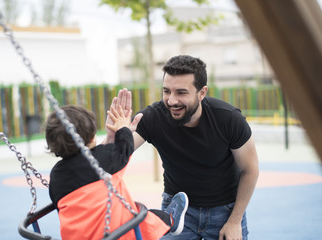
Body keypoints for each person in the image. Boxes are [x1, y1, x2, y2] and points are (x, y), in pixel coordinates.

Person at [106, 55, 259, 240]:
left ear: (202, 93)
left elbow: (250, 170)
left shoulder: (228, 119)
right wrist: (113, 137)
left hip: (225, 210)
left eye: (181, 92)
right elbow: (113, 158)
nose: (171, 100)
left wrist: (234, 221)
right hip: (177, 210)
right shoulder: (153, 117)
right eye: (166, 91)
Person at [45, 105, 189, 240]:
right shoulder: (105, 159)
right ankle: (171, 219)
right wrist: (122, 128)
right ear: (91, 136)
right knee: (145, 216)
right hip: (116, 234)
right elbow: (125, 147)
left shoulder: (56, 175)